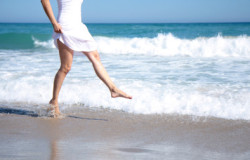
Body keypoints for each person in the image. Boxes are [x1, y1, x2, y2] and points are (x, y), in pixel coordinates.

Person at [41, 0, 132, 117]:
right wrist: (54, 23)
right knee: (66, 67)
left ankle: (113, 89)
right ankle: (54, 101)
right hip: (64, 27)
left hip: (78, 26)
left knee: (95, 57)